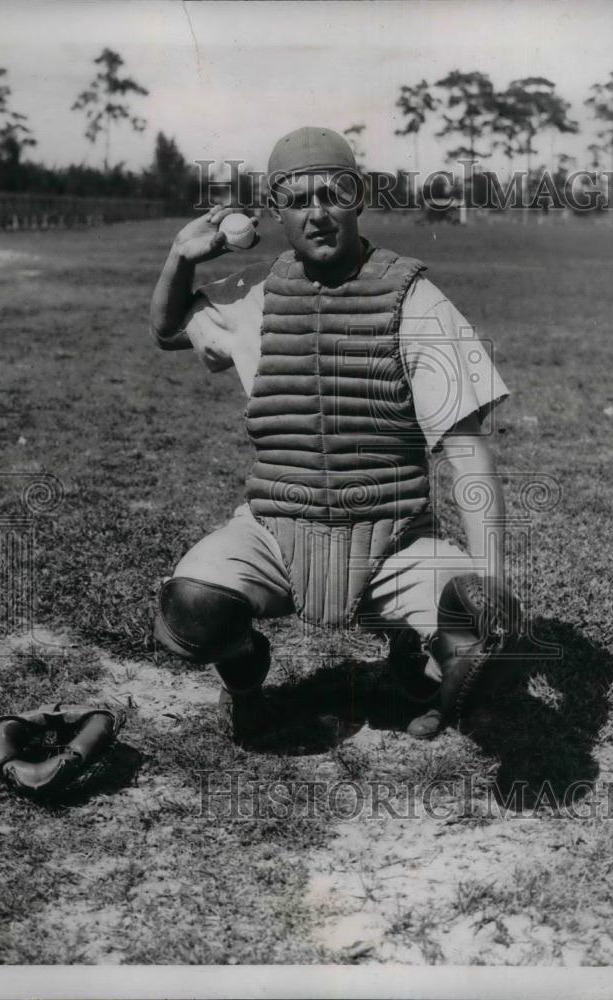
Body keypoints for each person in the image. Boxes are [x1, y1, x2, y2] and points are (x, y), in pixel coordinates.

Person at [149, 126, 519, 745]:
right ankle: (245, 674)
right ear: (275, 211)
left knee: (475, 618)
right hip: (274, 528)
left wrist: (492, 584)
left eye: (333, 194)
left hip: (392, 539)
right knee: (191, 609)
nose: (317, 213)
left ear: (358, 199)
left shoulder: (416, 303)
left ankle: (418, 664)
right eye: (297, 200)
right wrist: (181, 257)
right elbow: (167, 330)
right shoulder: (254, 298)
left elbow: (468, 455)